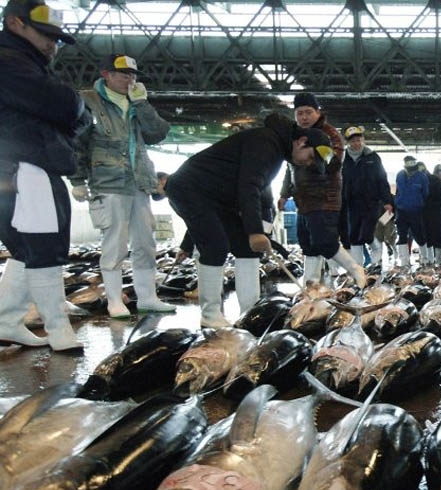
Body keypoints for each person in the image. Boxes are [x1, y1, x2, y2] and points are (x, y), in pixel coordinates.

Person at [166, 115, 334, 327]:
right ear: (302, 142)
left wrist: (253, 232)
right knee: (215, 247)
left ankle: (250, 311)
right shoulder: (266, 143)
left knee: (246, 248)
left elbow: (247, 191)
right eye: (310, 157)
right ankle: (210, 316)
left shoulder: (276, 151)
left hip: (217, 198)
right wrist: (255, 231)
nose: (308, 163)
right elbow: (249, 186)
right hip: (191, 190)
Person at [0, 0, 91, 351]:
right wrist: (72, 107)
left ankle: (7, 320)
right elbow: (68, 107)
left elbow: (78, 117)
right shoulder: (10, 62)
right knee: (45, 247)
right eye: (45, 34)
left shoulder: (27, 64)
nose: (52, 44)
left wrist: (70, 112)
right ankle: (58, 330)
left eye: (56, 38)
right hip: (24, 167)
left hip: (24, 166)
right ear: (15, 23)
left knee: (27, 249)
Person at [69, 53, 173, 318]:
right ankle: (114, 300)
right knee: (115, 243)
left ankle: (148, 297)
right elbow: (77, 142)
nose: (130, 80)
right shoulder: (88, 101)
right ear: (106, 74)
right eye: (124, 74)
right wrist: (77, 180)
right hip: (108, 182)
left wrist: (142, 104)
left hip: (140, 182)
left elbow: (158, 133)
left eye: (133, 75)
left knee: (146, 243)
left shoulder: (136, 101)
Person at [279, 92, 360, 286]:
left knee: (324, 242)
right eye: (299, 113)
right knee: (308, 245)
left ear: (317, 112)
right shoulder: (296, 136)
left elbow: (334, 163)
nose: (304, 117)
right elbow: (290, 169)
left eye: (308, 112)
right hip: (303, 200)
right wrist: (284, 194)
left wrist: (310, 156)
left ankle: (355, 269)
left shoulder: (330, 134)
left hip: (325, 199)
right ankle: (311, 286)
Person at [340, 125, 392, 269]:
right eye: (353, 141)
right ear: (348, 142)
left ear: (363, 140)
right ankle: (358, 268)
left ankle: (377, 250)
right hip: (351, 202)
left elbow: (382, 179)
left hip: (371, 202)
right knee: (354, 236)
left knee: (366, 234)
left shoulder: (373, 157)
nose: (356, 143)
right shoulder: (343, 159)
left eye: (358, 140)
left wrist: (387, 200)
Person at [393, 154, 428, 268]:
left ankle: (424, 258)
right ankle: (404, 260)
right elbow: (398, 191)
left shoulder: (422, 177)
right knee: (402, 235)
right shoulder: (400, 175)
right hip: (401, 210)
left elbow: (425, 193)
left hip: (416, 210)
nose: (411, 171)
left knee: (419, 235)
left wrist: (419, 203)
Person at [422, 162, 441, 266]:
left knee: (434, 236)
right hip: (432, 213)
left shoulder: (433, 181)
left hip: (433, 213)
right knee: (432, 236)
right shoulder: (434, 181)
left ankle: (435, 260)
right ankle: (434, 260)